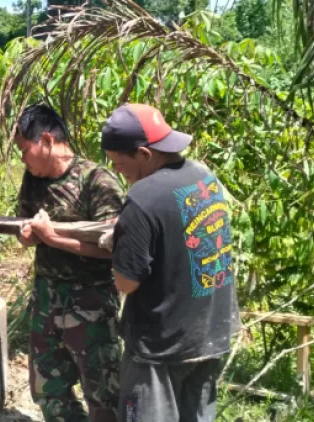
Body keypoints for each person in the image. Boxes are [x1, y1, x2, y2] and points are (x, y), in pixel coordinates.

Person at [101, 103, 241, 422]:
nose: (119, 172)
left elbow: (126, 283)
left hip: (161, 345)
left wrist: (119, 243)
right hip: (210, 333)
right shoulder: (204, 176)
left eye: (120, 164)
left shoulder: (143, 198)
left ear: (145, 154)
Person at [15, 104, 125, 422]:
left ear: (47, 141)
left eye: (25, 150)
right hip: (47, 296)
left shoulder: (96, 181)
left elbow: (114, 248)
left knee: (104, 391)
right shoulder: (33, 180)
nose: (23, 159)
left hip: (90, 300)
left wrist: (53, 239)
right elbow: (25, 223)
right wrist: (28, 236)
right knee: (49, 388)